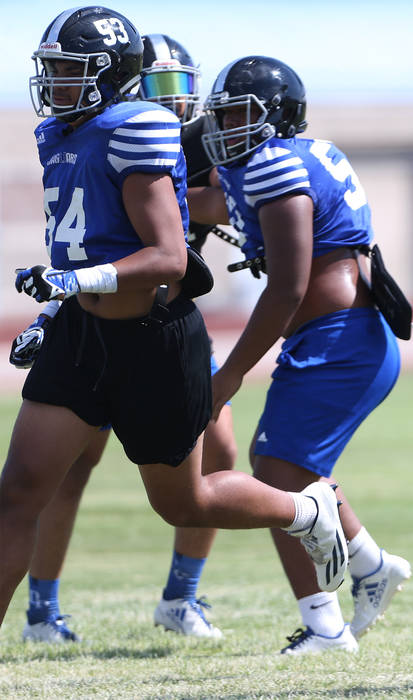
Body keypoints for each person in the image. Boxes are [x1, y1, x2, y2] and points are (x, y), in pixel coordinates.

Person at [0, 6, 349, 633]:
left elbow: (166, 257)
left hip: (152, 343)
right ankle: (31, 618)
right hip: (83, 335)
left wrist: (73, 282)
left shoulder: (138, 127)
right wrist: (56, 311)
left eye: (66, 70)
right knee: (17, 493)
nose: (52, 83)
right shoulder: (57, 135)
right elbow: (78, 250)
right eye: (49, 69)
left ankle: (304, 509)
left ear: (109, 75)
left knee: (185, 501)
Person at [8, 32, 239, 643]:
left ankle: (185, 595)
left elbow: (179, 241)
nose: (171, 103)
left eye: (178, 87)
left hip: (163, 329)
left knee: (205, 473)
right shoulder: (72, 134)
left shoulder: (172, 137)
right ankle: (41, 608)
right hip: (90, 322)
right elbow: (83, 237)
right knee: (47, 475)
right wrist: (56, 308)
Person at [187, 55, 410, 655]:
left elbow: (286, 287)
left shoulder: (275, 164)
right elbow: (213, 205)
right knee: (295, 472)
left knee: (274, 473)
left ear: (276, 117)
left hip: (339, 338)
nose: (225, 125)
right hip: (340, 336)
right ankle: (371, 567)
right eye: (222, 113)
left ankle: (326, 626)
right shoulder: (267, 163)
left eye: (240, 113)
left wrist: (229, 375)